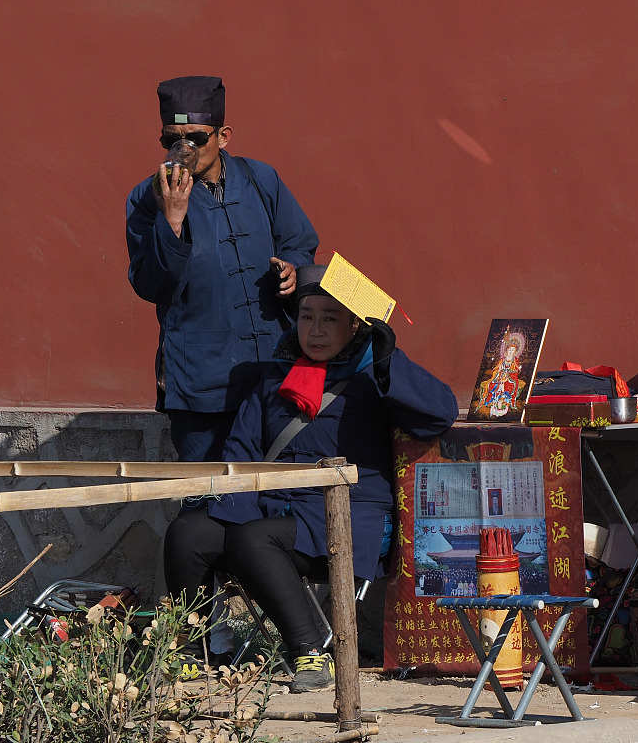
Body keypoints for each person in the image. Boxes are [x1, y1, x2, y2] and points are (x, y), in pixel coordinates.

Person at [163, 265, 458, 691]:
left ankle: (309, 651)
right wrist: (235, 514)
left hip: (347, 520)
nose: (315, 330)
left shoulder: (374, 377)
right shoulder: (273, 380)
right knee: (188, 532)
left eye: (330, 318)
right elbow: (241, 454)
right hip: (271, 511)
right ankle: (191, 649)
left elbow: (440, 413)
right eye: (306, 317)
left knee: (253, 540)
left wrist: (389, 358)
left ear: (354, 326)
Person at [126, 76, 319, 462]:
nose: (184, 149)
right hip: (201, 377)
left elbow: (299, 242)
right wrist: (173, 220)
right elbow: (151, 285)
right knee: (206, 497)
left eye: (196, 138)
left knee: (275, 490)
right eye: (171, 139)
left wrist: (294, 269)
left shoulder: (260, 179)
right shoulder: (150, 197)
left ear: (223, 136)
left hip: (273, 365)